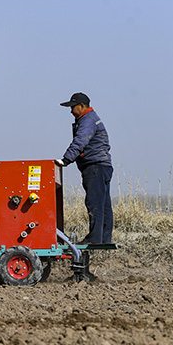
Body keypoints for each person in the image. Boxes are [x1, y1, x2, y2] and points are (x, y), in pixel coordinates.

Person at [55, 92, 113, 244]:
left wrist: (65, 160)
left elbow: (81, 141)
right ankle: (104, 239)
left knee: (94, 203)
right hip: (103, 166)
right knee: (103, 204)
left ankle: (94, 239)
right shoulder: (92, 118)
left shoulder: (87, 120)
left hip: (95, 167)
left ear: (82, 106)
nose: (71, 111)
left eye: (73, 107)